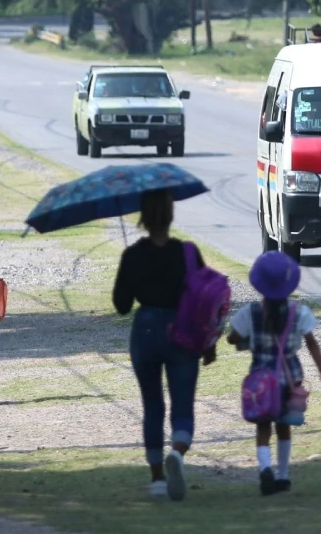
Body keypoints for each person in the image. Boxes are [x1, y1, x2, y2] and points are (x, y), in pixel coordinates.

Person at [112, 190, 215, 502]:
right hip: (182, 331)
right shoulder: (188, 252)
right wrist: (209, 341)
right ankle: (178, 453)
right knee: (182, 404)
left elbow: (121, 305)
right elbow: (204, 300)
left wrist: (131, 271)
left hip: (144, 331)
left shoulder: (133, 255)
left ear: (143, 217)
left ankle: (157, 477)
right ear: (171, 215)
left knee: (152, 405)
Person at [226, 251, 321, 496]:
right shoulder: (299, 312)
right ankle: (283, 476)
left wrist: (240, 338)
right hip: (291, 376)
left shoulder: (250, 312)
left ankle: (265, 468)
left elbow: (233, 337)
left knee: (263, 427)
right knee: (284, 426)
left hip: (261, 378)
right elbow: (312, 343)